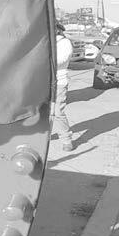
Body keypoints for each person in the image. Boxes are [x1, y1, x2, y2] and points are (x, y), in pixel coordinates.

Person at [53, 23, 75, 152]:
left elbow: (61, 60)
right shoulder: (44, 41)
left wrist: (44, 60)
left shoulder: (65, 42)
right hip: (44, 81)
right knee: (42, 112)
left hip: (59, 81)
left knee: (58, 112)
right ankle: (43, 136)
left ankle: (66, 139)